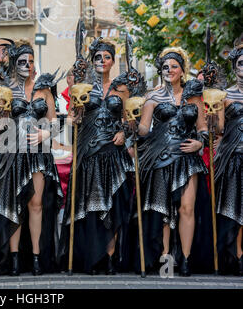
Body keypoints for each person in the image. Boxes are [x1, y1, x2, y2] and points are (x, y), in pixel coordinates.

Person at [59, 38, 135, 275]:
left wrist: (124, 132)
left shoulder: (122, 88)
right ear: (92, 62)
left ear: (113, 61)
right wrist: (75, 117)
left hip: (114, 153)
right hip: (89, 153)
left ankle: (111, 256)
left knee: (114, 205)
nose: (102, 61)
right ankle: (94, 257)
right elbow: (71, 118)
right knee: (92, 206)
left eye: (107, 57)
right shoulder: (82, 86)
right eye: (98, 57)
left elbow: (130, 119)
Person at [137, 47, 213, 276]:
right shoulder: (152, 97)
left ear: (182, 70)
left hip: (187, 159)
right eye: (165, 67)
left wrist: (200, 143)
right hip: (160, 159)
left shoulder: (193, 97)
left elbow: (202, 128)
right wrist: (130, 123)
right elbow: (143, 128)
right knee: (163, 212)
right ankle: (166, 260)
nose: (169, 70)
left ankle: (187, 259)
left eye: (174, 66)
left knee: (186, 208)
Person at [0, 39, 63, 276]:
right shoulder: (5, 88)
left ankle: (37, 256)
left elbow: (55, 122)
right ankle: (13, 259)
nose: (28, 65)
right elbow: (0, 125)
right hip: (11, 152)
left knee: (36, 203)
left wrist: (46, 133)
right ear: (14, 63)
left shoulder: (43, 89)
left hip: (39, 154)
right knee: (14, 205)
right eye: (23, 61)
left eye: (31, 61)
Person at [215, 44, 243, 276]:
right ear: (234, 67)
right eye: (241, 62)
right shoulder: (225, 96)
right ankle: (236, 254)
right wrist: (213, 115)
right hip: (232, 157)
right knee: (232, 207)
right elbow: (220, 129)